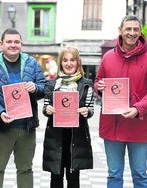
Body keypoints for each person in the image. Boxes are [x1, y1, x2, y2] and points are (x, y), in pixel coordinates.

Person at [94, 15, 147, 188]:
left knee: (140, 175)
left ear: (140, 32)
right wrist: (99, 87)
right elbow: (98, 81)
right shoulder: (108, 57)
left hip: (138, 125)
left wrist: (138, 108)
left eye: (135, 29)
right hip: (112, 125)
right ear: (120, 31)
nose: (132, 33)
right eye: (128, 29)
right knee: (114, 175)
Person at [0, 28, 46, 188]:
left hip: (26, 126)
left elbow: (44, 87)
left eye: (16, 41)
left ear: (21, 44)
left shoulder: (32, 63)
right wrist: (0, 112)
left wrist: (35, 88)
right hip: (0, 126)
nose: (13, 45)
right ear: (1, 44)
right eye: (9, 42)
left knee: (25, 169)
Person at [42, 46, 94, 188]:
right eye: (65, 60)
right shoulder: (52, 84)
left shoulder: (86, 85)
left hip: (76, 138)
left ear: (78, 62)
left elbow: (90, 109)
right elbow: (45, 108)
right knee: (56, 178)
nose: (68, 63)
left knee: (73, 179)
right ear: (61, 63)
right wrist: (48, 109)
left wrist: (86, 111)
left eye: (72, 60)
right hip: (56, 137)